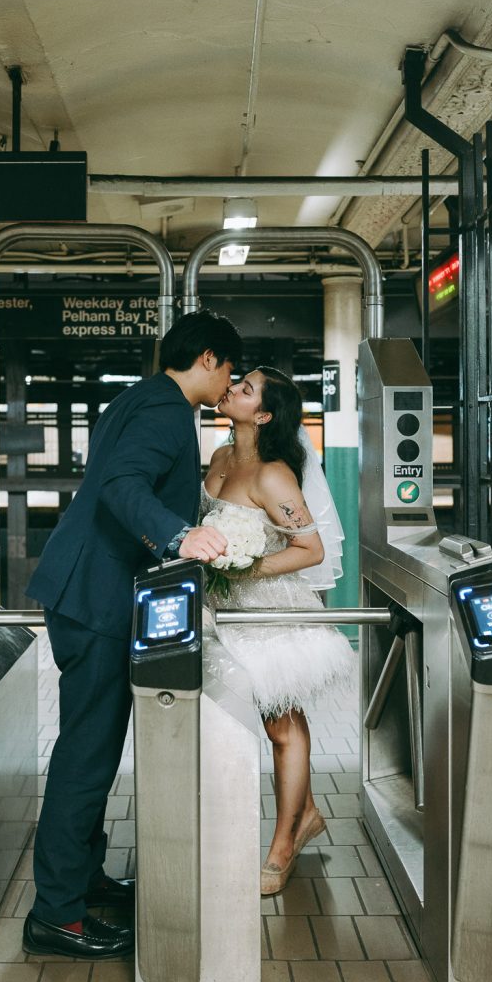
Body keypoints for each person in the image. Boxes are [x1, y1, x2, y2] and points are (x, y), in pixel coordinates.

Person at [23, 309, 243, 958]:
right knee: (86, 753)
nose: (228, 383)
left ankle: (81, 878)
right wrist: (180, 535)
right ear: (206, 357)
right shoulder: (165, 409)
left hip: (87, 587)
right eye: (228, 370)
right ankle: (56, 915)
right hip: (97, 594)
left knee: (92, 745)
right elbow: (121, 484)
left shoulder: (136, 396)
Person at [202, 366, 353, 896]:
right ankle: (306, 810)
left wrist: (247, 569)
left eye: (245, 390)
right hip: (221, 611)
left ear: (262, 415)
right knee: (257, 721)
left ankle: (284, 843)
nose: (233, 389)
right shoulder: (220, 459)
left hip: (267, 615)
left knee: (281, 725)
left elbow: (310, 550)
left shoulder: (273, 475)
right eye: (236, 383)